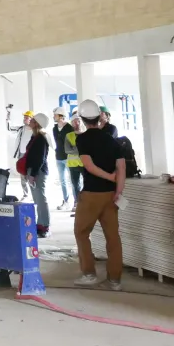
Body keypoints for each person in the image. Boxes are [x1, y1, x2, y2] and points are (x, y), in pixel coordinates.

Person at [73, 99, 125, 289]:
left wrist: (110, 178)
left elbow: (89, 165)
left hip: (92, 194)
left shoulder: (83, 139)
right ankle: (115, 279)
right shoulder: (111, 140)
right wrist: (118, 190)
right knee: (113, 237)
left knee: (81, 232)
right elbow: (122, 167)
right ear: (98, 117)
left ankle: (89, 273)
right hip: (111, 196)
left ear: (83, 119)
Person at [25, 112, 52, 237]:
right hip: (33, 170)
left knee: (41, 199)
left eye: (33, 120)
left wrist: (33, 174)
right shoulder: (35, 136)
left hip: (38, 171)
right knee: (37, 198)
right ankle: (40, 223)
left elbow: (40, 158)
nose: (30, 121)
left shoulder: (41, 138)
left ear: (37, 124)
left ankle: (45, 226)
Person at [51, 106, 72, 210]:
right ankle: (66, 201)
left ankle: (77, 201)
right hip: (58, 157)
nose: (53, 117)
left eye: (55, 115)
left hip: (68, 157)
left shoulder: (69, 127)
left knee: (73, 180)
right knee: (62, 180)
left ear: (61, 116)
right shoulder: (54, 128)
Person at [64, 111, 84, 213]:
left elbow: (88, 148)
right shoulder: (69, 135)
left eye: (79, 121)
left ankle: (85, 202)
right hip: (72, 165)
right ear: (71, 123)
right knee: (75, 185)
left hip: (84, 164)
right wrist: (80, 148)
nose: (77, 123)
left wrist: (74, 148)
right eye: (75, 121)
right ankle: (77, 202)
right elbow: (67, 150)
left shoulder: (86, 134)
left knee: (87, 184)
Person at [11, 111, 34, 199]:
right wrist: (8, 116)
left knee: (30, 174)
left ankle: (33, 194)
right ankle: (26, 194)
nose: (24, 119)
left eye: (26, 117)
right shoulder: (21, 128)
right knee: (22, 174)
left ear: (31, 119)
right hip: (21, 154)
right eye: (24, 117)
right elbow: (9, 128)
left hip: (30, 155)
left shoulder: (34, 130)